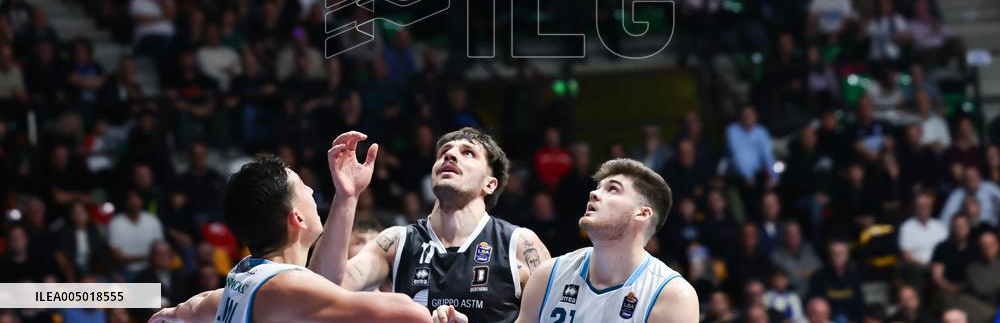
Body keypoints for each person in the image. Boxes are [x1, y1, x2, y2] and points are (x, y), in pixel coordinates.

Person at [148, 141, 431, 323]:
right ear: (296, 217)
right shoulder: (286, 290)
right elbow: (410, 313)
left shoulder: (243, 278)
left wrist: (347, 196)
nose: (311, 191)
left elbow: (323, 285)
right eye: (304, 188)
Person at [315, 128, 552, 323]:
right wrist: (346, 197)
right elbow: (322, 288)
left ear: (489, 184)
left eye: (468, 153)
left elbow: (555, 318)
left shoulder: (519, 244)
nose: (450, 156)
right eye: (444, 152)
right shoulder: (397, 242)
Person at [434, 159, 699, 323]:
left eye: (612, 189)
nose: (595, 194)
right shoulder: (549, 274)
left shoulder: (671, 295)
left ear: (642, 213)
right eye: (597, 187)